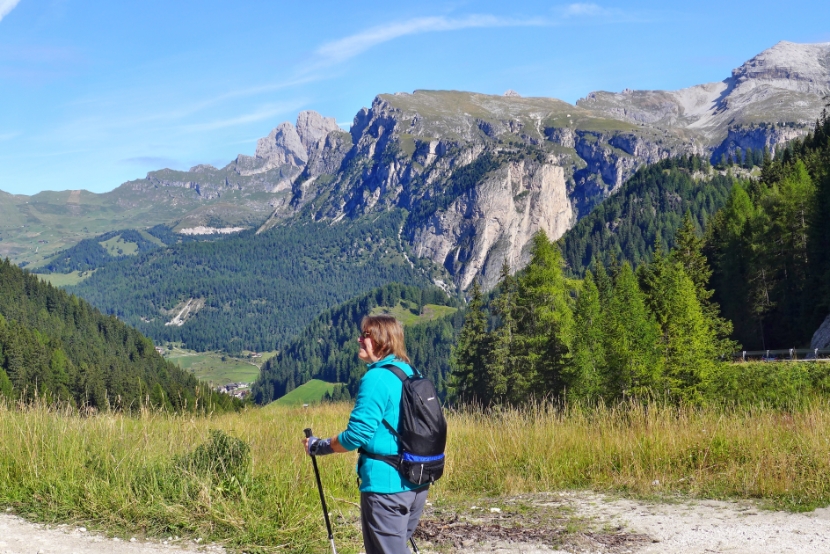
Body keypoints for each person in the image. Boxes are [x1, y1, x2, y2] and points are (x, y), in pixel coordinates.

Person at [303, 314, 429, 554]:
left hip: (386, 486)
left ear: (382, 340)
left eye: (366, 335)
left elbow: (356, 435)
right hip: (418, 480)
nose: (359, 339)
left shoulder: (377, 377)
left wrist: (320, 446)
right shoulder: (411, 372)